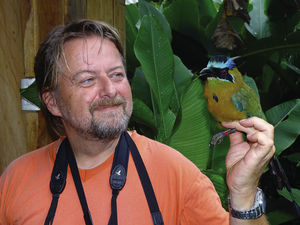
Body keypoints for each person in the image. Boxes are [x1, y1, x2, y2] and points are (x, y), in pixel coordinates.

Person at [0, 19, 274, 225]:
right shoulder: (16, 179)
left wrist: (244, 194)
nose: (110, 90)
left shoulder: (174, 171)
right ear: (52, 102)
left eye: (117, 75)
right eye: (87, 79)